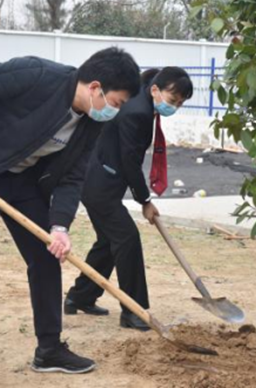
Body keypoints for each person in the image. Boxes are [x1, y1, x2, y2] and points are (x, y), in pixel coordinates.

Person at [0, 47, 141, 388]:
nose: (114, 112)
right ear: (95, 88)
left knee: (46, 257)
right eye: (116, 103)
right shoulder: (37, 76)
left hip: (23, 178)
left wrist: (59, 227)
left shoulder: (91, 122)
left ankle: (49, 349)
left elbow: (73, 177)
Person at [65, 67, 193, 331]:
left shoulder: (142, 97)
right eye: (172, 100)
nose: (174, 107)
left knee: (109, 242)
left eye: (180, 104)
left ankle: (80, 297)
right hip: (99, 185)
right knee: (127, 239)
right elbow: (130, 163)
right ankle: (134, 311)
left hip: (100, 179)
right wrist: (145, 201)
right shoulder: (138, 113)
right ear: (155, 90)